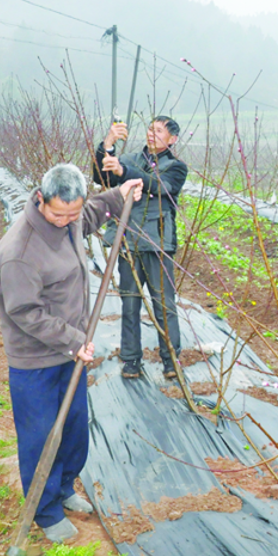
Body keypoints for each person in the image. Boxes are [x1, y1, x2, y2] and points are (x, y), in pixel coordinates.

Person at [0, 164, 143, 543]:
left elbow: (89, 214)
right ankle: (45, 511)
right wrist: (73, 340)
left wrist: (119, 194)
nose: (66, 221)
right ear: (40, 200)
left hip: (70, 351)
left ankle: (63, 488)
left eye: (72, 214)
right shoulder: (20, 252)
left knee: (74, 428)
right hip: (36, 360)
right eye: (59, 214)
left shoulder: (71, 218)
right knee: (41, 436)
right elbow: (25, 312)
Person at [93, 116, 189, 380]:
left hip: (157, 244)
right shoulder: (131, 158)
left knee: (163, 304)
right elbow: (100, 176)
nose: (152, 134)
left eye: (159, 131)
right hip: (128, 242)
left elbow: (160, 187)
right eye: (150, 128)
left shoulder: (176, 167)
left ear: (172, 139)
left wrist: (124, 173)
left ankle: (171, 360)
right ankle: (131, 360)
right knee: (130, 302)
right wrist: (108, 146)